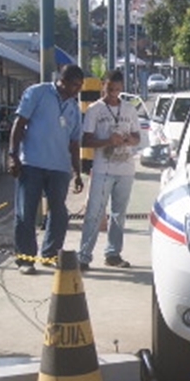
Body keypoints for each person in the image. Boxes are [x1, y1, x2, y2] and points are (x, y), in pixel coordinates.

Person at [8, 64, 85, 275]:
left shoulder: (74, 108)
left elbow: (74, 143)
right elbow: (19, 123)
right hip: (31, 164)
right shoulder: (37, 93)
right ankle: (25, 259)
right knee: (26, 213)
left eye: (80, 86)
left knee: (59, 213)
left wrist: (77, 172)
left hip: (59, 168)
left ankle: (50, 254)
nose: (77, 90)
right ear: (63, 81)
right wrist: (13, 156)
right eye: (75, 85)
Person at [78, 69, 141, 270]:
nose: (113, 93)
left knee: (119, 213)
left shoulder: (129, 109)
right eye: (109, 89)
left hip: (125, 168)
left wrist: (130, 140)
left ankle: (113, 253)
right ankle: (84, 255)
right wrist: (107, 141)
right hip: (103, 168)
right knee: (95, 212)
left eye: (117, 89)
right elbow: (85, 140)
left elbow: (137, 136)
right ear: (102, 85)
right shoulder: (94, 110)